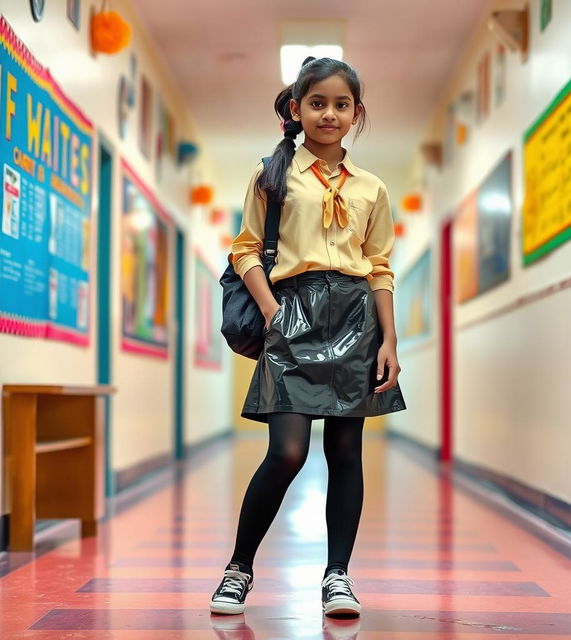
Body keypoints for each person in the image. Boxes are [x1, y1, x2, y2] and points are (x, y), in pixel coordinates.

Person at [210, 56, 406, 618]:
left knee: (346, 452)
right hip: (290, 311)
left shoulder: (372, 188)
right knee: (288, 451)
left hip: (354, 318)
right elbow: (245, 249)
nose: (329, 113)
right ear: (296, 109)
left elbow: (379, 267)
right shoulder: (272, 174)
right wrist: (273, 313)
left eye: (341, 104)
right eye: (317, 102)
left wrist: (388, 340)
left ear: (356, 114)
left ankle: (338, 577)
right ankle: (238, 569)